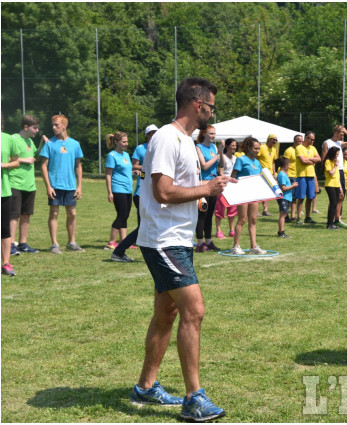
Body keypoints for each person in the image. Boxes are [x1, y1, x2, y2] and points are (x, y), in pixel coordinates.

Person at [132, 77, 230, 422]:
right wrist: (206, 186)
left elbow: (181, 190)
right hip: (163, 241)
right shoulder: (165, 137)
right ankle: (194, 398)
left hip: (177, 239)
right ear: (198, 104)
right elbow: (162, 191)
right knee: (194, 311)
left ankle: (145, 387)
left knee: (167, 314)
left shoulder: (186, 141)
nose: (212, 113)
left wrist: (204, 196)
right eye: (212, 106)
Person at [110, 124, 157, 262]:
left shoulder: (158, 148)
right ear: (147, 135)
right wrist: (146, 171)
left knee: (147, 225)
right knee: (145, 226)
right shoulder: (141, 149)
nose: (155, 135)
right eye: (152, 133)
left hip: (152, 192)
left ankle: (121, 251)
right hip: (142, 193)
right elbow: (138, 170)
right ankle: (118, 250)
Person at [39, 114, 84, 254]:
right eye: (52, 125)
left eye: (56, 125)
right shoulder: (50, 144)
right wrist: (48, 186)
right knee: (54, 213)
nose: (53, 127)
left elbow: (78, 166)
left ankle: (71, 242)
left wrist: (79, 185)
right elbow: (43, 166)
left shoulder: (75, 144)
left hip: (70, 186)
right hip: (55, 185)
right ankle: (54, 244)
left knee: (72, 213)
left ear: (64, 126)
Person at [9, 115, 40, 254]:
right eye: (35, 128)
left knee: (26, 214)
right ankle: (10, 245)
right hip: (15, 183)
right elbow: (7, 158)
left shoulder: (30, 141)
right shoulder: (13, 139)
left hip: (29, 184)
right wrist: (23, 160)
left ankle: (23, 244)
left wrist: (43, 145)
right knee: (14, 215)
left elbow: (34, 157)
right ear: (26, 127)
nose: (37, 130)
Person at [230, 137, 266, 255]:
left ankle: (253, 246)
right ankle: (236, 246)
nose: (257, 150)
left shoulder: (257, 162)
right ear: (249, 148)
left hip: (254, 194)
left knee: (253, 220)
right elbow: (233, 176)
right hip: (243, 193)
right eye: (255, 148)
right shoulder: (241, 160)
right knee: (242, 219)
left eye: (259, 148)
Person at [321, 125, 347, 227]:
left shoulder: (339, 143)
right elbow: (323, 159)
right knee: (333, 199)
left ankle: (337, 218)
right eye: (342, 134)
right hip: (332, 172)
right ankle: (331, 220)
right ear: (336, 133)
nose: (343, 136)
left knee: (341, 196)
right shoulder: (327, 143)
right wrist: (326, 172)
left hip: (340, 172)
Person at [195, 125, 222, 252]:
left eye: (214, 134)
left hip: (214, 185)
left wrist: (220, 152)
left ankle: (209, 241)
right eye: (211, 133)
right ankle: (200, 243)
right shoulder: (198, 147)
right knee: (202, 214)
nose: (213, 136)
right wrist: (217, 156)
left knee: (210, 214)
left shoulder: (214, 147)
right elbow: (204, 166)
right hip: (203, 185)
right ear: (204, 134)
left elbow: (219, 165)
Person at [104, 132, 134, 250]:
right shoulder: (112, 156)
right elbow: (108, 174)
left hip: (127, 189)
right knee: (121, 215)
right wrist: (110, 192)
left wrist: (137, 173)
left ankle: (124, 242)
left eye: (127, 141)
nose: (126, 144)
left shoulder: (126, 155)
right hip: (118, 189)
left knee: (125, 215)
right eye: (124, 142)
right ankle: (111, 242)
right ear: (116, 142)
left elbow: (126, 171)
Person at [2, 126, 23, 276]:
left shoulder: (8, 139)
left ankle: (6, 263)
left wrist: (5, 165)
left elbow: (16, 162)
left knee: (4, 229)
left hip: (3, 191)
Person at [294, 131, 320, 225]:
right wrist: (312, 161)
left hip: (311, 175)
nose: (312, 141)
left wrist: (309, 160)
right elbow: (303, 161)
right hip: (301, 176)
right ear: (306, 138)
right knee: (300, 197)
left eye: (313, 140)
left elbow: (319, 159)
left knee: (310, 197)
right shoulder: (299, 148)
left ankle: (307, 217)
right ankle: (299, 217)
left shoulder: (313, 148)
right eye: (311, 139)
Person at [214, 138, 238, 239]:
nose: (234, 147)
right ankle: (218, 230)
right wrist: (229, 179)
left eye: (235, 145)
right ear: (227, 146)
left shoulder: (235, 158)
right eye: (232, 145)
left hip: (233, 187)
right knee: (220, 208)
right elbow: (221, 172)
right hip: (223, 186)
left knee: (232, 209)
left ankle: (232, 230)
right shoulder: (222, 157)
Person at [275, 157, 297, 238]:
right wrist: (293, 186)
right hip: (283, 198)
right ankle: (281, 232)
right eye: (289, 164)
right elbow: (283, 188)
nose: (289, 166)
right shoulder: (281, 174)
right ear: (286, 165)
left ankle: (281, 231)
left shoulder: (284, 174)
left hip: (287, 198)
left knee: (284, 214)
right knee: (283, 215)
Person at [257, 134, 278, 216]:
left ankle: (265, 210)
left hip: (269, 173)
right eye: (273, 139)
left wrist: (274, 172)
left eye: (276, 140)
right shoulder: (262, 147)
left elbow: (273, 162)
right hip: (261, 173)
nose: (275, 141)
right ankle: (256, 210)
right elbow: (256, 158)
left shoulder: (273, 149)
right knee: (259, 191)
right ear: (269, 139)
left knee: (268, 191)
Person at [283, 134, 302, 222]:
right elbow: (285, 163)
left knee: (295, 197)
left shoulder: (301, 150)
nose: (300, 143)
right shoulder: (289, 150)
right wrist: (285, 175)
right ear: (294, 141)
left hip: (298, 175)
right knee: (288, 197)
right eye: (299, 141)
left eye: (302, 141)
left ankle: (293, 216)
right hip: (290, 175)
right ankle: (285, 215)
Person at [323, 146, 343, 230]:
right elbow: (331, 173)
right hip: (330, 185)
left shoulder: (335, 161)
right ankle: (329, 224)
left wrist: (340, 187)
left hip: (336, 185)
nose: (337, 156)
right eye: (336, 154)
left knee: (335, 203)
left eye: (338, 155)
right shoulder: (327, 161)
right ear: (332, 154)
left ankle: (332, 223)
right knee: (333, 203)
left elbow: (337, 176)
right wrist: (335, 166)